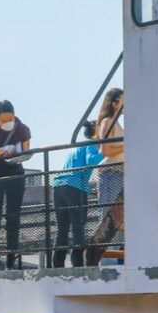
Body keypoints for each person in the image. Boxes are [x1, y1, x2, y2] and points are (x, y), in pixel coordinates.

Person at [0, 100, 33, 269]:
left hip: (15, 171)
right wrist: (6, 150)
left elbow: (26, 152)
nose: (7, 123)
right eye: (3, 120)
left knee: (13, 218)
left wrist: (18, 154)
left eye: (9, 118)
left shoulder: (23, 128)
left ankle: (11, 262)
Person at [52, 121, 104, 268]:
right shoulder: (92, 143)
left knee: (62, 228)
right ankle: (78, 265)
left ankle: (58, 264)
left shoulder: (76, 147)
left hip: (58, 185)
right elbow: (90, 161)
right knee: (78, 227)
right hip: (75, 188)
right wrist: (105, 151)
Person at [88, 89, 125, 260]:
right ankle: (106, 263)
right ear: (114, 103)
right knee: (110, 221)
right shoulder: (107, 122)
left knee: (120, 222)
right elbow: (106, 150)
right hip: (112, 173)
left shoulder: (117, 123)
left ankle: (112, 261)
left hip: (120, 173)